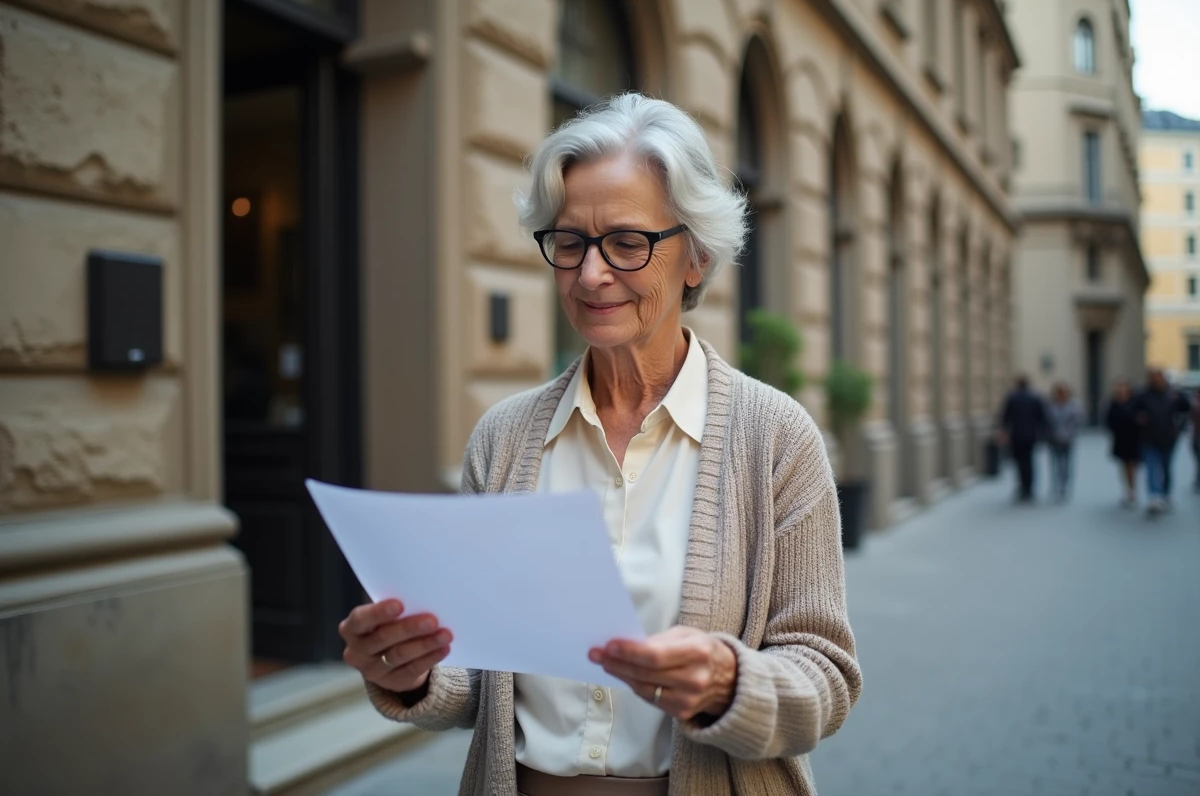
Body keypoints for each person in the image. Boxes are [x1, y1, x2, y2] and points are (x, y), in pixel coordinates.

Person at [336, 94, 861, 796]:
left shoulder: (776, 438)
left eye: (626, 241)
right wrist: (416, 669)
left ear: (696, 256)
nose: (590, 274)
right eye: (570, 243)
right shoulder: (503, 438)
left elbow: (825, 676)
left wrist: (731, 682)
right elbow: (479, 681)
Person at [1132, 368, 1192, 514]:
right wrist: (1139, 418)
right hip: (1149, 439)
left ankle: (1165, 494)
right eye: (1154, 378)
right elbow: (1133, 411)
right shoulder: (1143, 395)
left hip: (1168, 439)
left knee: (1166, 467)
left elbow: (1186, 408)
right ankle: (1154, 496)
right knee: (1152, 467)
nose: (1157, 381)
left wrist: (1181, 397)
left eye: (1159, 378)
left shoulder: (1172, 394)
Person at [998, 375, 1049, 502]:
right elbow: (1042, 418)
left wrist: (1004, 431)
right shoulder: (1035, 398)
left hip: (1017, 435)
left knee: (1019, 462)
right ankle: (1029, 488)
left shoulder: (1013, 398)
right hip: (1031, 435)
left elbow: (1005, 417)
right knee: (1029, 461)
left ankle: (1023, 487)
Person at [1104, 378, 1141, 507]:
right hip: (1120, 439)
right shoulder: (1114, 403)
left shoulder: (1134, 402)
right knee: (1124, 466)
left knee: (1132, 465)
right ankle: (1128, 490)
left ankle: (1132, 490)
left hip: (1133, 438)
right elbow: (1108, 420)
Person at [1045, 382, 1085, 501]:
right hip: (1053, 439)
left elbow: (1079, 421)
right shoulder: (1051, 406)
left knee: (1066, 463)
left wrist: (1070, 432)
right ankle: (1055, 485)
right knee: (1054, 463)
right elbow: (1046, 421)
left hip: (1068, 439)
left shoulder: (1074, 406)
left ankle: (1064, 486)